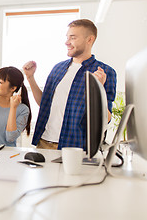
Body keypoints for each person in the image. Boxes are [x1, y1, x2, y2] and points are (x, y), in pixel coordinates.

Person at [23, 19, 117, 150]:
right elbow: (43, 104)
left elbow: (105, 119)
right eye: (67, 37)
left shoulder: (104, 72)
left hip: (75, 147)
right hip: (44, 142)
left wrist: (98, 89)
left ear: (89, 40)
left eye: (72, 38)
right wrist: (30, 78)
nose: (67, 42)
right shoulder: (58, 68)